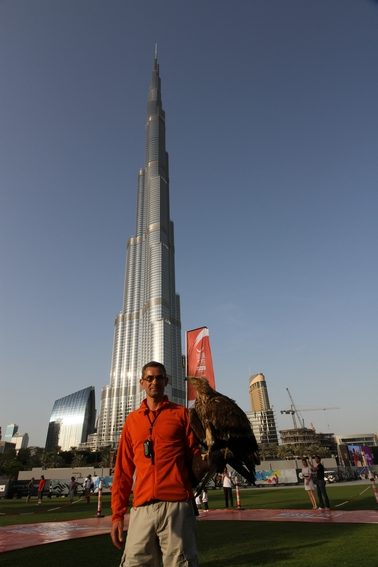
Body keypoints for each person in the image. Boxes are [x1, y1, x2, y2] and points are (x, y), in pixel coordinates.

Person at [111, 361, 203, 566]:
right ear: (142, 383)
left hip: (176, 507)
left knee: (180, 563)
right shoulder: (132, 421)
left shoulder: (181, 415)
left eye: (159, 377)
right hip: (141, 509)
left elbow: (195, 456)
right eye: (150, 378)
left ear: (166, 381)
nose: (155, 382)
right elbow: (123, 471)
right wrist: (117, 515)